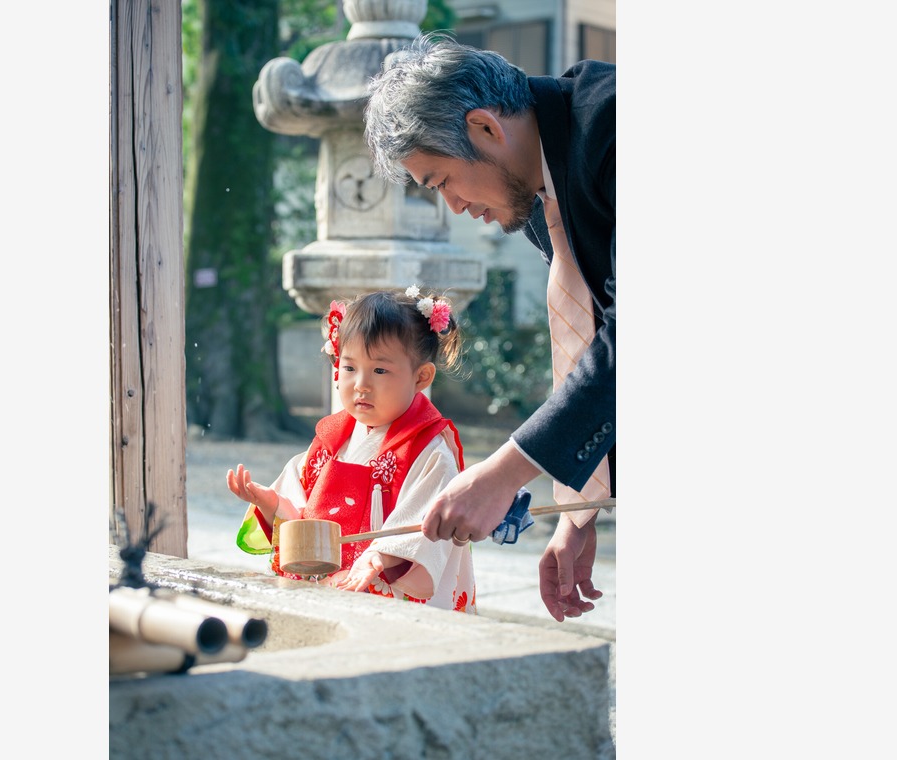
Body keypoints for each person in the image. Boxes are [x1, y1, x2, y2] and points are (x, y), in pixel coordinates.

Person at [362, 33, 615, 622]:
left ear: (483, 127)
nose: (453, 206)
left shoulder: (612, 127)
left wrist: (505, 473)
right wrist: (580, 511)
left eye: (440, 181)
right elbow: (597, 337)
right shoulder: (534, 190)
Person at [230, 287, 476, 613]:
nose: (361, 384)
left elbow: (425, 520)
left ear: (421, 377)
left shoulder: (429, 450)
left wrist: (381, 555)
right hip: (334, 584)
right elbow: (306, 508)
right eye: (349, 368)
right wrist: (273, 503)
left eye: (379, 370)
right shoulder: (333, 438)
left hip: (384, 588)